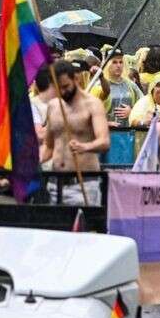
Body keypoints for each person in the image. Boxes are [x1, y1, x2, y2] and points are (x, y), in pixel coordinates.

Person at [41, 60, 109, 205]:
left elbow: (104, 142)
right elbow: (48, 147)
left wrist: (84, 147)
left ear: (76, 79)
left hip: (83, 184)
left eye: (66, 86)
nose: (63, 92)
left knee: (83, 226)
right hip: (54, 184)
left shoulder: (93, 104)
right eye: (59, 88)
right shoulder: (53, 106)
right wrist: (32, 162)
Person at [89, 49, 142, 127]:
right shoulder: (98, 85)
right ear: (107, 64)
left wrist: (132, 112)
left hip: (127, 134)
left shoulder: (131, 85)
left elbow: (143, 105)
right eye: (114, 62)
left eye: (121, 62)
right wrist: (105, 124)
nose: (118, 65)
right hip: (106, 133)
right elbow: (88, 113)